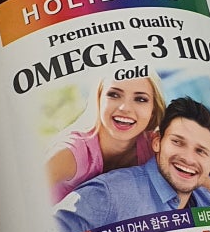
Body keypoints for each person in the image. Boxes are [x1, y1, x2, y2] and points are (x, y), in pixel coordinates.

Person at [55, 97, 210, 232]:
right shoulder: (108, 194)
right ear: (157, 142)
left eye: (200, 151)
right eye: (177, 142)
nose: (189, 158)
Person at [47, 74, 166, 203]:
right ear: (98, 99)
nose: (125, 108)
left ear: (153, 110)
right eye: (114, 95)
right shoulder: (69, 152)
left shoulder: (156, 146)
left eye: (140, 99)